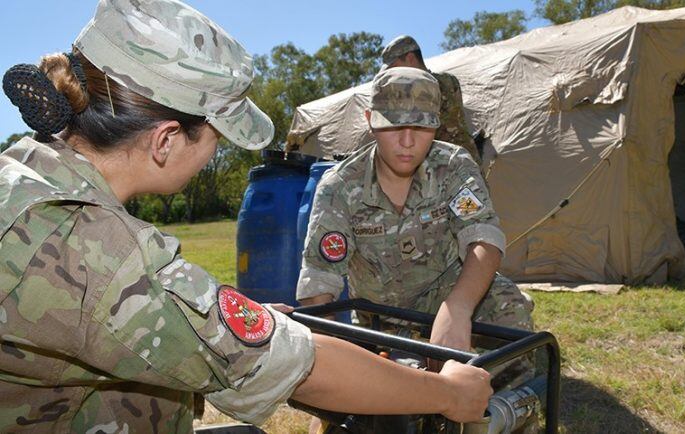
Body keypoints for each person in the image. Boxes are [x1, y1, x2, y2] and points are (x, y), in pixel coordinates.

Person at [0, 1, 494, 432]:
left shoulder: (23, 177)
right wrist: (449, 394)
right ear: (166, 140)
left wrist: (239, 323)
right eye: (217, 136)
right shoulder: (91, 249)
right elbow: (304, 367)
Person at [297, 67, 534, 363]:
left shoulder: (453, 167)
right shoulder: (340, 187)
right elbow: (319, 279)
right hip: (379, 323)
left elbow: (484, 237)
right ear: (371, 121)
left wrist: (457, 308)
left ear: (436, 124)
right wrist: (329, 353)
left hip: (448, 299)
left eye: (421, 127)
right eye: (395, 126)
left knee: (509, 311)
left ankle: (493, 403)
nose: (408, 142)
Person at [381, 35, 482, 165]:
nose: (393, 74)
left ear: (410, 58)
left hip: (444, 166)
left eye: (394, 67)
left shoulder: (413, 90)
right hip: (466, 158)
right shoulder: (449, 80)